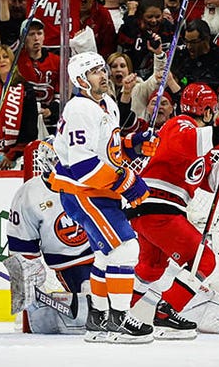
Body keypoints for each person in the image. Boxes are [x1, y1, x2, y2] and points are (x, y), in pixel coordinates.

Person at [125, 82, 219, 337]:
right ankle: (165, 312)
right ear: (206, 111)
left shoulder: (198, 144)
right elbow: (192, 139)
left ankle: (121, 314)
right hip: (159, 209)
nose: (216, 114)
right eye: (213, 110)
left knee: (151, 267)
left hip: (151, 211)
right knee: (204, 259)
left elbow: (211, 181)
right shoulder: (180, 124)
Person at [48, 52, 154, 343]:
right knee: (126, 248)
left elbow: (109, 148)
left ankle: (97, 319)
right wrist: (126, 182)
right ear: (81, 80)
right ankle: (119, 320)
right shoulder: (80, 108)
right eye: (95, 72)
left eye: (102, 69)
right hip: (84, 193)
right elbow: (83, 168)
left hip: (99, 191)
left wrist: (135, 145)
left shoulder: (106, 103)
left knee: (107, 254)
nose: (103, 75)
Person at [5, 140, 92, 335]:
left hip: (102, 254)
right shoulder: (29, 194)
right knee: (91, 298)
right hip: (71, 263)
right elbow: (21, 247)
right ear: (47, 162)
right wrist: (27, 281)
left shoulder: (90, 180)